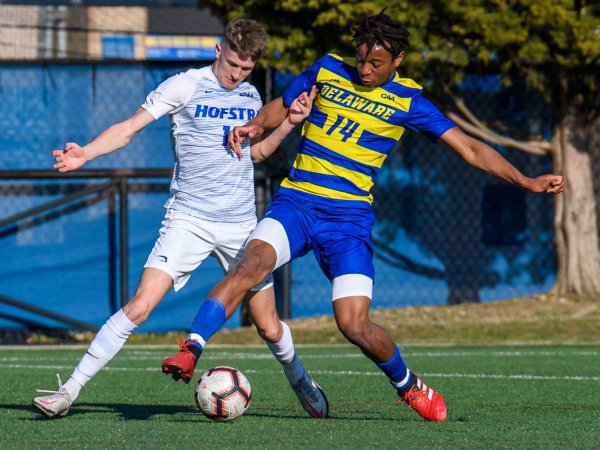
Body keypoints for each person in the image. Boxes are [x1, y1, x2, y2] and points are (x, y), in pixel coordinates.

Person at [162, 10, 564, 422]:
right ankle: (191, 348)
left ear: (398, 60)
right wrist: (252, 127)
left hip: (348, 222)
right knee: (251, 262)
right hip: (297, 204)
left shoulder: (408, 101)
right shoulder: (327, 70)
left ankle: (408, 385)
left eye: (376, 64)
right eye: (361, 60)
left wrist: (524, 180)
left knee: (353, 324)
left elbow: (470, 148)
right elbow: (280, 108)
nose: (365, 69)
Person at [32, 18, 328, 419]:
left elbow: (256, 154)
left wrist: (291, 122)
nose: (236, 74)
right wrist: (86, 152)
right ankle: (68, 390)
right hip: (188, 218)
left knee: (269, 326)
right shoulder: (184, 85)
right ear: (219, 49)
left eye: (246, 69)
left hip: (241, 225)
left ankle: (300, 379)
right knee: (140, 305)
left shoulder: (251, 95)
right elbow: (128, 129)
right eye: (233, 64)